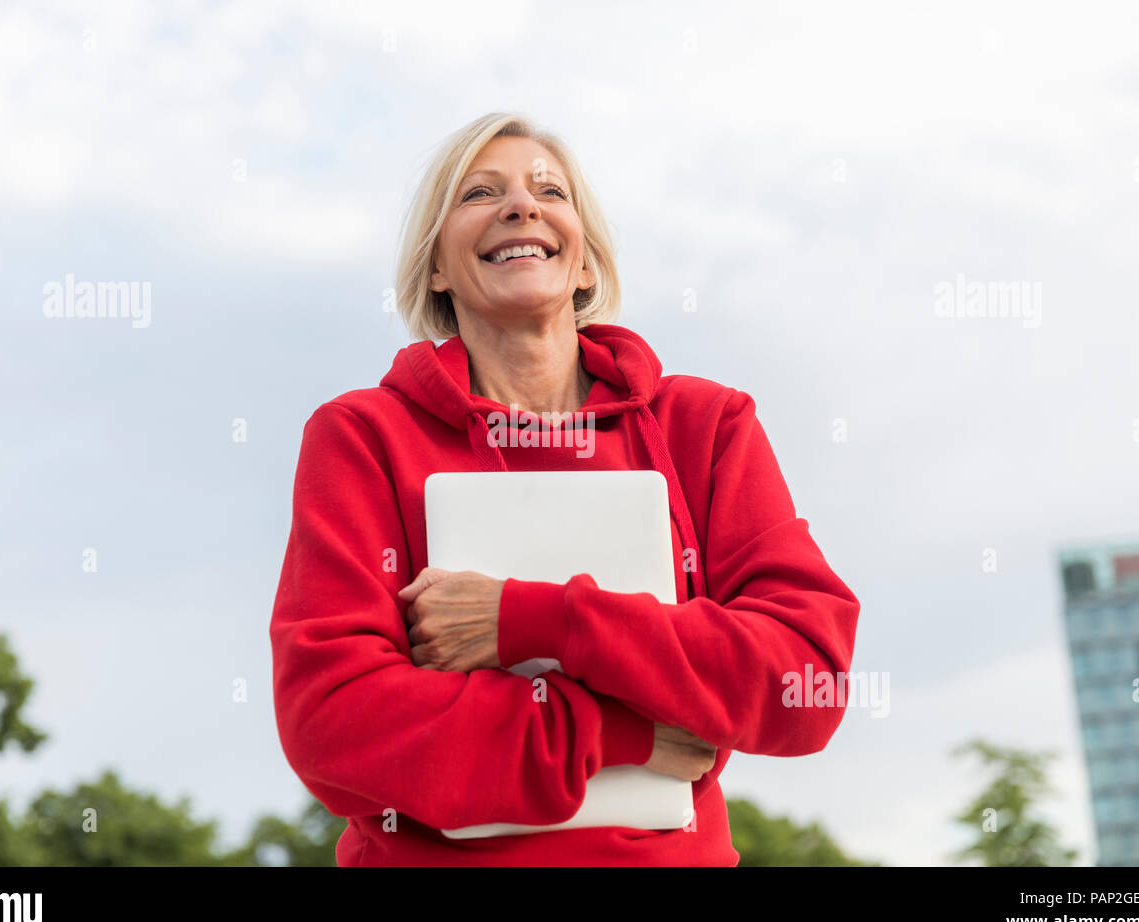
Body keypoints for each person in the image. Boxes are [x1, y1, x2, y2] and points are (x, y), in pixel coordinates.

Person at [268, 112, 861, 866]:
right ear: (438, 269)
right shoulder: (362, 437)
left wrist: (536, 619)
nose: (522, 205)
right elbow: (334, 722)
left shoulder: (706, 427)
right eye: (481, 193)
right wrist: (629, 734)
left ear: (584, 263)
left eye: (550, 190)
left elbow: (802, 683)